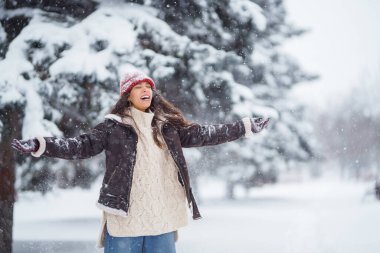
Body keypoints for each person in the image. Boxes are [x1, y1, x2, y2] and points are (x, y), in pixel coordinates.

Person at [11, 70, 270, 253]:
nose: (146, 90)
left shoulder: (167, 126)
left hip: (162, 212)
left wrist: (244, 127)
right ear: (128, 95)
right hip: (126, 214)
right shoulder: (113, 127)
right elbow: (80, 145)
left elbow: (205, 134)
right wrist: (41, 144)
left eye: (148, 86)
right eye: (138, 87)